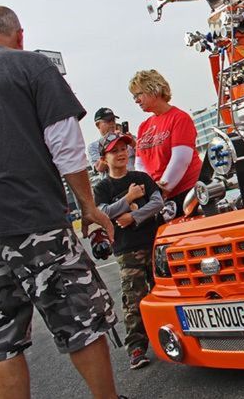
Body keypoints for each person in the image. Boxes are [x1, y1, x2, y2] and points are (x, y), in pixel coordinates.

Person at [0, 6, 122, 398]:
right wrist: (89, 207)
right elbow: (66, 146)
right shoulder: (29, 66)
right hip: (31, 217)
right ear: (19, 35)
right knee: (80, 317)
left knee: (0, 339)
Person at [93, 132, 163, 371]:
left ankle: (171, 338)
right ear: (104, 157)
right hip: (126, 250)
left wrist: (133, 215)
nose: (121, 154)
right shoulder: (102, 187)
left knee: (163, 293)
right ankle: (136, 347)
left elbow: (157, 202)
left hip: (154, 243)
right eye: (114, 151)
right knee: (133, 299)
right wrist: (129, 197)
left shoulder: (140, 176)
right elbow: (102, 213)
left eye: (124, 149)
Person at [129, 69, 202, 218]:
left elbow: (180, 160)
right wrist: (150, 190)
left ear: (154, 90)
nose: (136, 100)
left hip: (188, 192)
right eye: (134, 96)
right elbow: (140, 165)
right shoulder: (144, 126)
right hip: (160, 197)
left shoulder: (179, 118)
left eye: (139, 94)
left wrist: (162, 189)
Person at [87, 107, 136, 174]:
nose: (112, 123)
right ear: (98, 125)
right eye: (108, 121)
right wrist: (109, 142)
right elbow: (99, 168)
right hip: (113, 183)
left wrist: (132, 143)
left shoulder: (127, 138)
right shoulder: (93, 146)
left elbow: (145, 155)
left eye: (113, 120)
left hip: (135, 180)